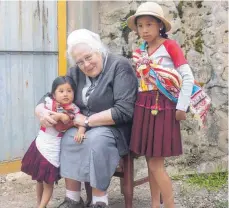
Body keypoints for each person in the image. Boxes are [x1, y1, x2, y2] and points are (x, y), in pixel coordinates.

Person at [35, 29, 138, 208]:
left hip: (114, 128)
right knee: (68, 138)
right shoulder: (76, 72)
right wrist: (39, 110)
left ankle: (99, 201)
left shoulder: (119, 66)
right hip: (83, 125)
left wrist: (88, 121)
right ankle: (73, 198)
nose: (86, 65)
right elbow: (53, 92)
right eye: (80, 62)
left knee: (96, 140)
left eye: (89, 57)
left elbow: (124, 110)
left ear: (98, 49)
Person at [127, 2, 195, 208]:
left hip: (162, 106)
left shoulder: (170, 46)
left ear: (160, 26)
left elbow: (187, 78)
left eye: (149, 24)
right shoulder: (141, 51)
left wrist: (182, 107)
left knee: (156, 163)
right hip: (144, 106)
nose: (144, 30)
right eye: (140, 25)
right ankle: (155, 204)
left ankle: (170, 205)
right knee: (150, 161)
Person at [21, 76, 86, 208]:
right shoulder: (49, 103)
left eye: (69, 91)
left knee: (47, 182)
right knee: (39, 179)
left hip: (53, 150)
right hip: (40, 145)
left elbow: (81, 121)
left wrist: (81, 131)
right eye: (61, 91)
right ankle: (39, 204)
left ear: (74, 93)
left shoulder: (74, 109)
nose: (65, 94)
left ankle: (41, 206)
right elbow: (44, 114)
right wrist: (58, 116)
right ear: (53, 94)